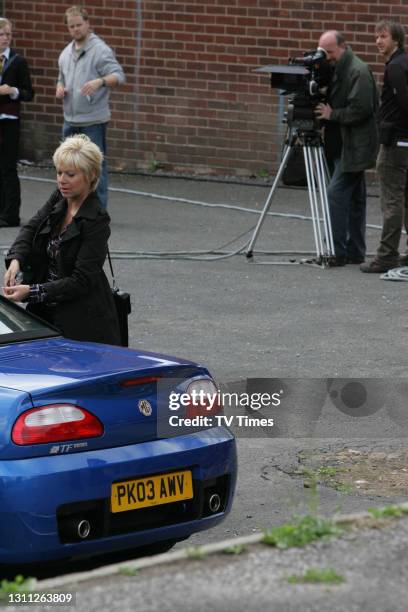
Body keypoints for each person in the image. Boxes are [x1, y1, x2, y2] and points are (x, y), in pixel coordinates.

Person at [2, 134, 121, 345]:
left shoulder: (97, 219)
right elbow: (31, 228)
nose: (61, 180)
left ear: (90, 176)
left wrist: (32, 291)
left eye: (70, 174)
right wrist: (16, 259)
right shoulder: (59, 197)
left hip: (82, 320)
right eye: (59, 172)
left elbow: (81, 281)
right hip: (44, 313)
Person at [315, 30, 378, 266]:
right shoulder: (337, 68)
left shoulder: (358, 71)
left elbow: (362, 110)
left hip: (353, 146)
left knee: (336, 195)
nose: (326, 58)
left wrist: (332, 114)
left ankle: (337, 252)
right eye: (323, 52)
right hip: (340, 144)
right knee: (355, 199)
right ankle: (355, 252)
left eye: (330, 52)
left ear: (343, 47)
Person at [56, 6, 125, 209]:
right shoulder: (65, 53)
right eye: (72, 26)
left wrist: (100, 82)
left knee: (94, 169)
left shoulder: (100, 50)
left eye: (79, 25)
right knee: (67, 168)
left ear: (87, 24)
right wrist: (60, 88)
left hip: (93, 121)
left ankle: (98, 212)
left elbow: (119, 75)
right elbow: (61, 79)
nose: (76, 29)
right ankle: (72, 209)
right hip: (70, 120)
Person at [360, 22, 408, 273]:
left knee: (392, 200)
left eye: (383, 36)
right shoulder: (403, 63)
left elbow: (404, 102)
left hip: (395, 144)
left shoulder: (396, 68)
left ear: (397, 40)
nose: (378, 41)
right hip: (404, 142)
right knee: (405, 199)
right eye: (376, 36)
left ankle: (387, 255)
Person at [0, 17, 34, 227]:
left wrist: (13, 91)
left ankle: (11, 214)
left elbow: (29, 92)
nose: (4, 38)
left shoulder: (17, 61)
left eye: (8, 35)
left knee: (8, 167)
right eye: (1, 35)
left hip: (9, 120)